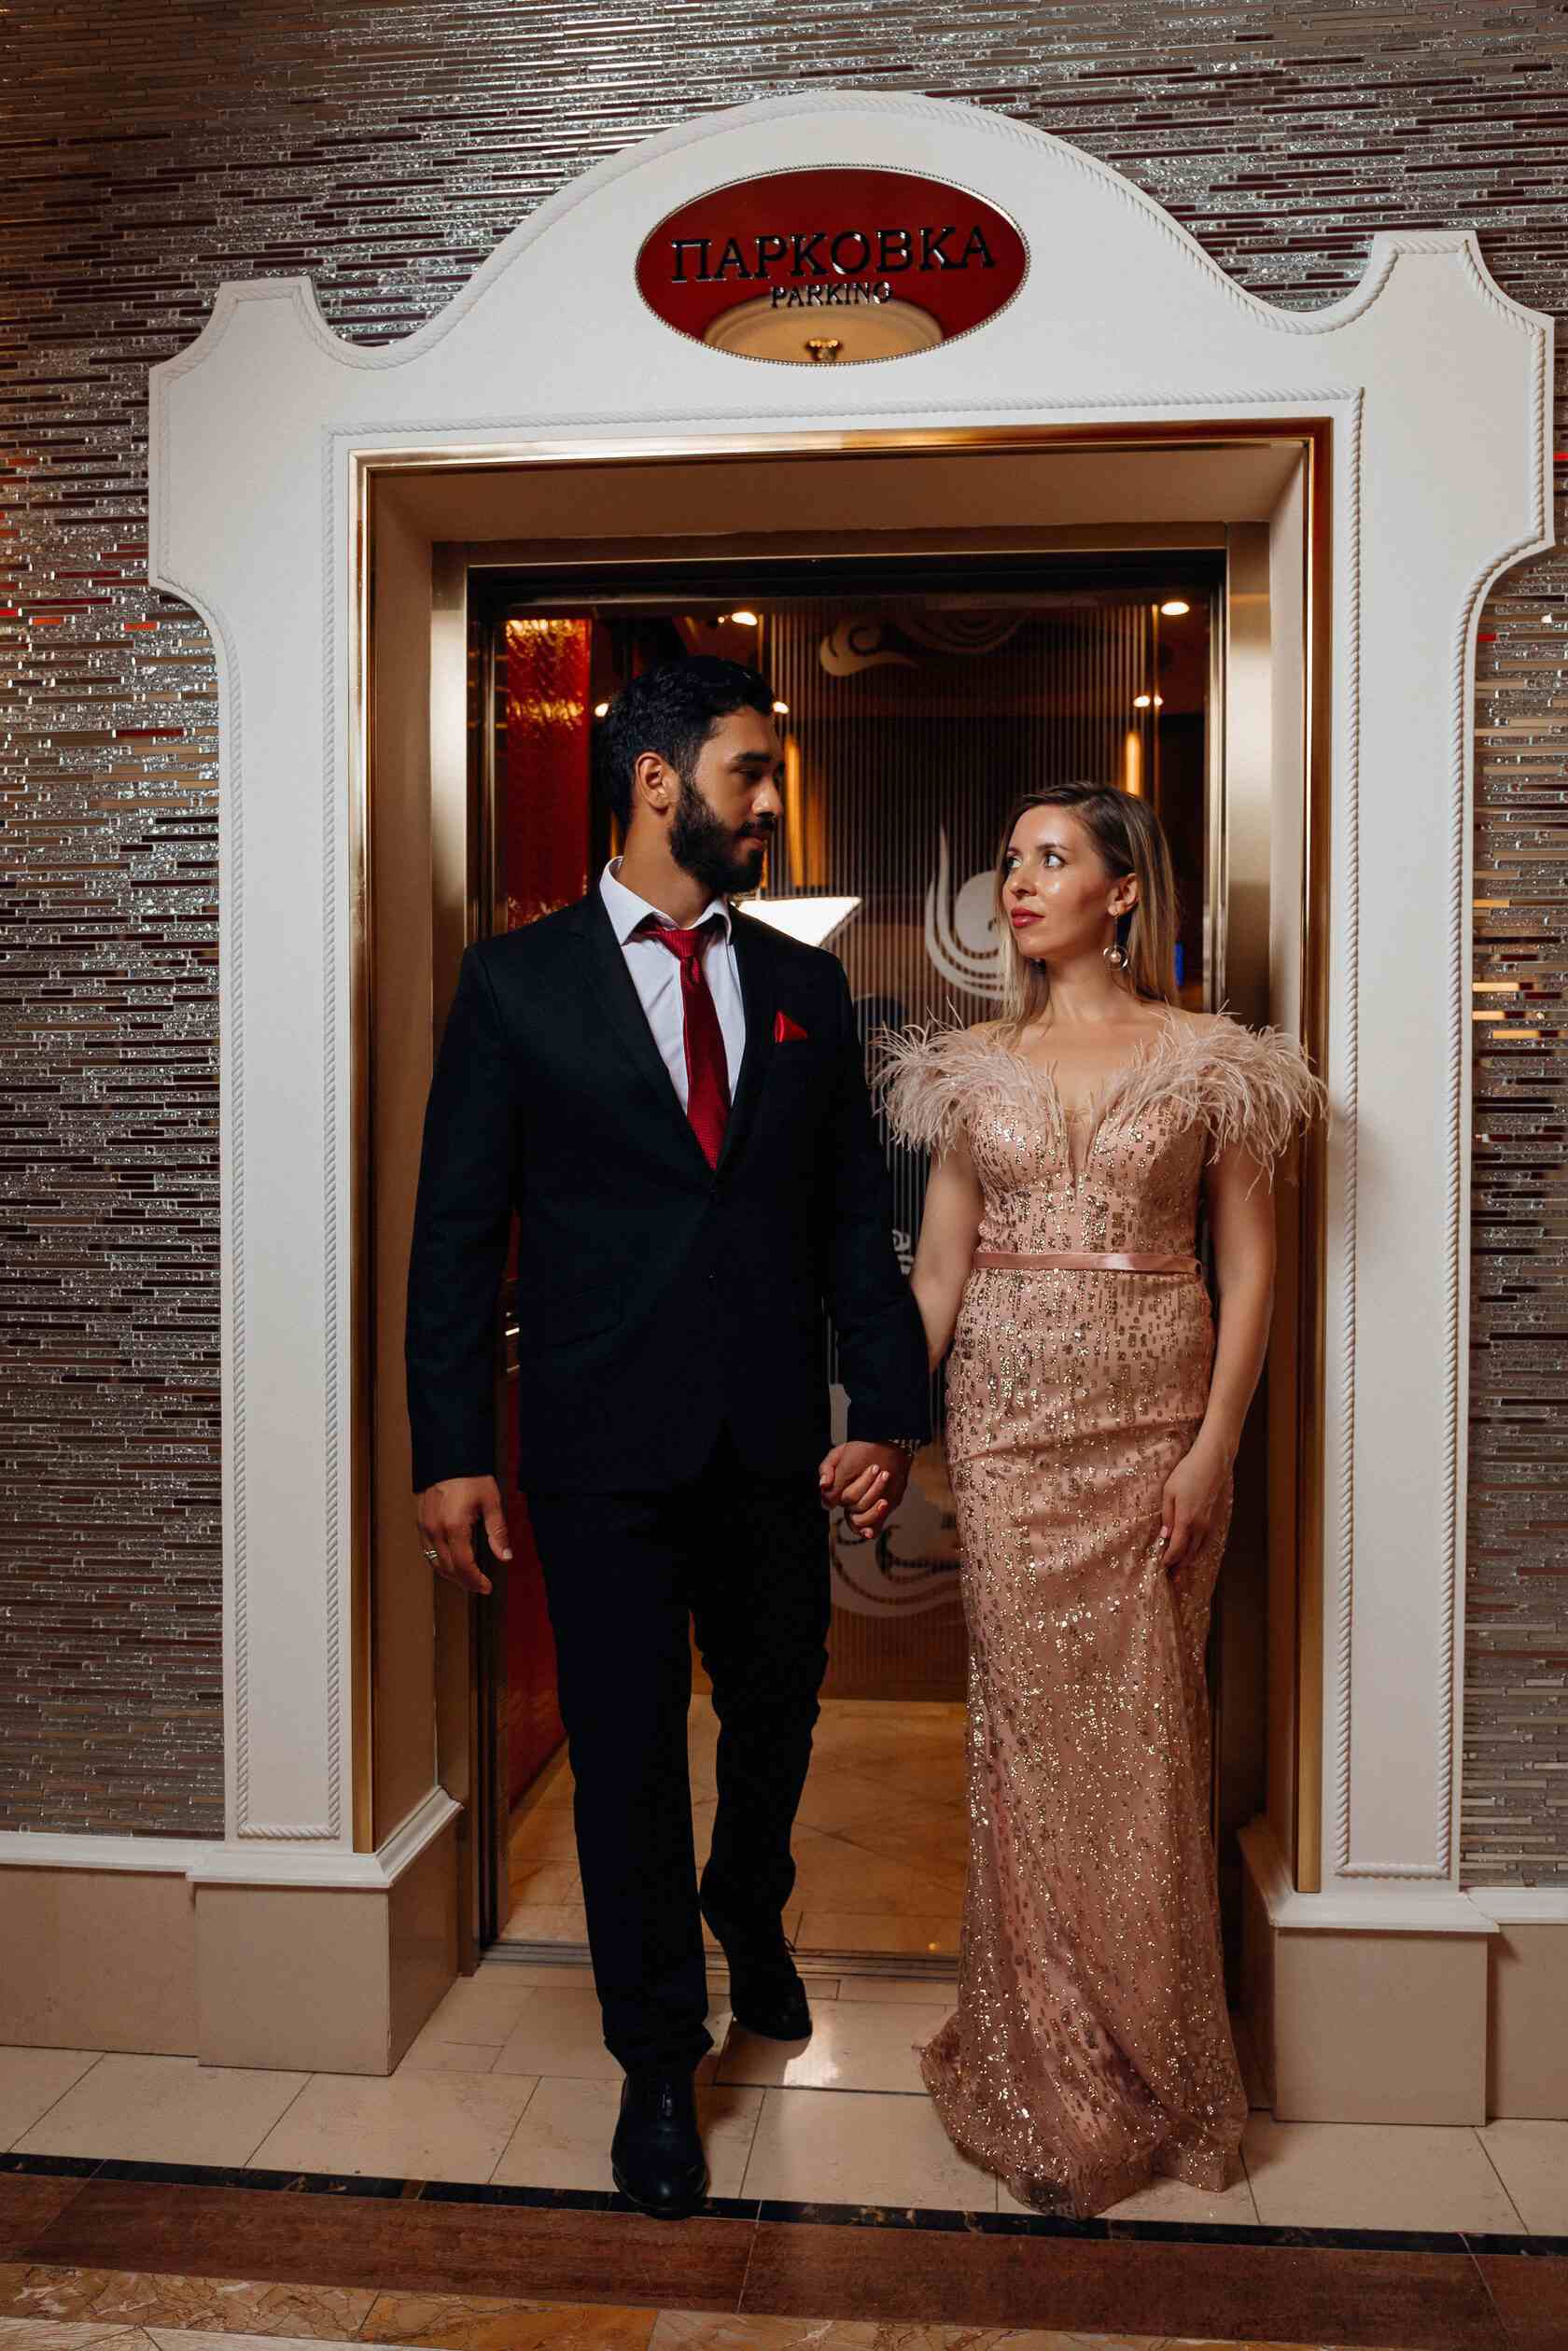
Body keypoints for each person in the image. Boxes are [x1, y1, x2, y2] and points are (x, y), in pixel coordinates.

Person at [404, 656, 930, 2220]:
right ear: (656, 782)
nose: (768, 803)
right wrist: (450, 1445)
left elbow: (854, 1223)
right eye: (748, 773)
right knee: (627, 1755)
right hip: (598, 1450)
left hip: (768, 1443)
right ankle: (655, 2059)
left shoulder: (803, 987)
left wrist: (886, 1413)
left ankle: (747, 1901)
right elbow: (456, 1235)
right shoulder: (516, 985)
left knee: (777, 1714)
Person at [865, 781, 1323, 2218]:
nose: (1018, 881)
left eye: (1050, 859)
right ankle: (1041, 2075)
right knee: (1026, 1746)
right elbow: (941, 1274)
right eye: (1010, 860)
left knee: (1144, 1745)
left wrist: (1214, 1448)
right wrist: (884, 1422)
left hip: (1154, 1440)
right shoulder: (970, 1069)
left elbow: (1250, 1270)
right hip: (1006, 1440)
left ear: (1122, 891)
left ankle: (1157, 2070)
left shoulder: (1213, 1064)